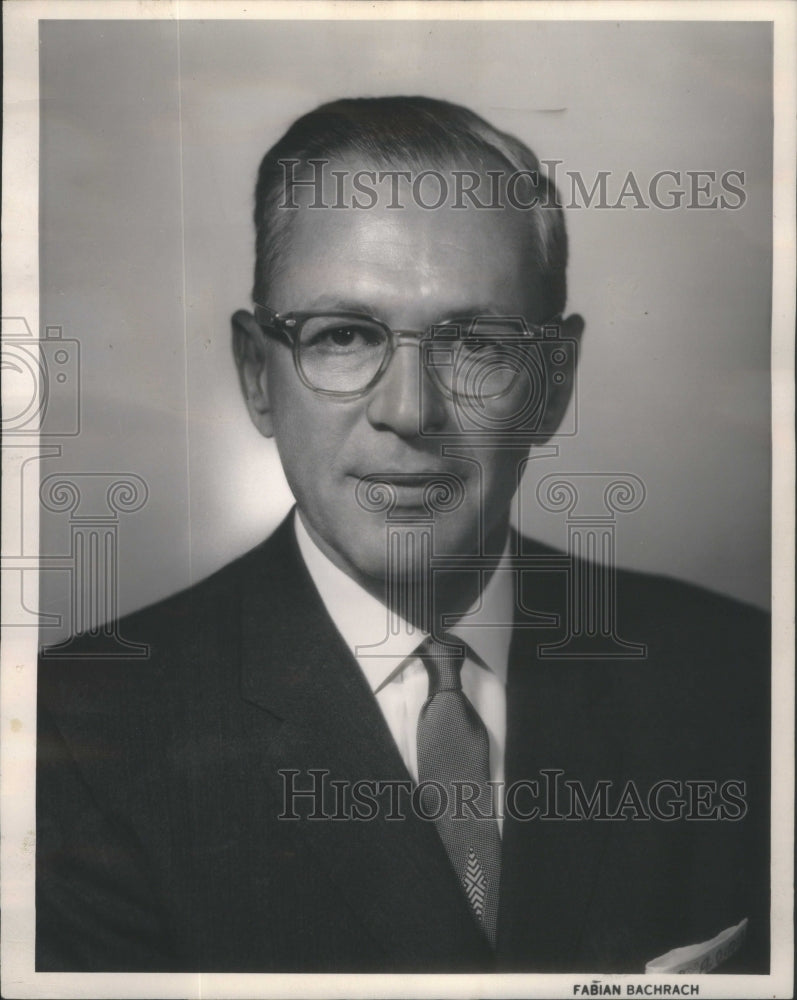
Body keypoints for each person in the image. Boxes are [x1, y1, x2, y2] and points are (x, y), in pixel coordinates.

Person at [36, 96, 770, 974]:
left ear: (553, 385)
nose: (408, 411)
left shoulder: (743, 678)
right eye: (344, 335)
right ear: (257, 377)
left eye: (476, 344)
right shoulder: (72, 734)